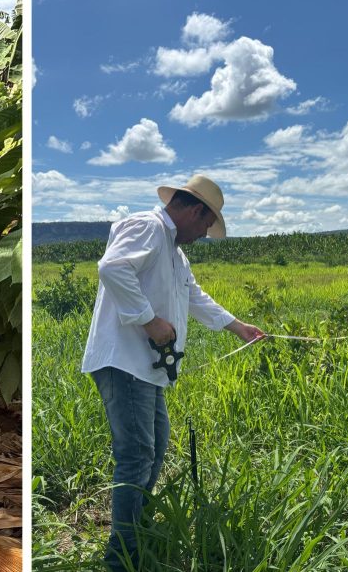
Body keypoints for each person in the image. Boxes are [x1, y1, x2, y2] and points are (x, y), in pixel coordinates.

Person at [80, 174, 264, 570]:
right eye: (205, 225)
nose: (203, 234)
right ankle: (122, 557)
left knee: (155, 448)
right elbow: (112, 268)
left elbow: (195, 296)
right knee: (136, 455)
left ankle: (137, 533)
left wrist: (238, 327)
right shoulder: (148, 226)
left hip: (147, 369)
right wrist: (150, 320)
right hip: (125, 362)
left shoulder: (176, 253)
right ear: (194, 210)